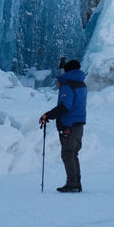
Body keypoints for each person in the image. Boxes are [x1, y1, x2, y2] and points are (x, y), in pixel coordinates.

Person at [39, 59, 87, 193]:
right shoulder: (81, 84)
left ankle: (72, 184)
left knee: (68, 153)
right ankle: (76, 182)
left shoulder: (68, 85)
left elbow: (65, 106)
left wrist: (48, 115)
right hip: (78, 123)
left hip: (69, 124)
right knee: (73, 153)